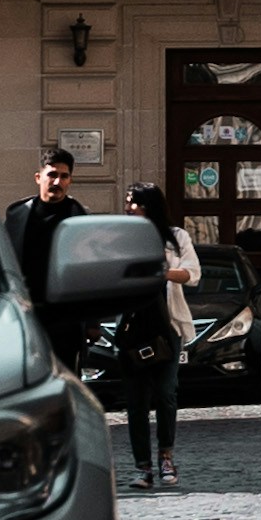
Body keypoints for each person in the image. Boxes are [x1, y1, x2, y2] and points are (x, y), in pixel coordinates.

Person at [107, 176, 199, 489]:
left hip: (167, 324)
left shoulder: (176, 237)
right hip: (133, 326)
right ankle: (142, 467)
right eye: (128, 201)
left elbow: (192, 274)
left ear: (149, 206)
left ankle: (166, 457)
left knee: (165, 392)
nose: (129, 206)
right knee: (135, 399)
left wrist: (160, 271)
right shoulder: (121, 238)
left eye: (134, 201)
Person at [1, 145, 86, 352]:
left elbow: (88, 274)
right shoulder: (17, 216)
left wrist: (91, 323)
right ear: (38, 178)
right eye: (52, 175)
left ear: (70, 181)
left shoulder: (81, 219)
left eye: (64, 176)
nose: (58, 182)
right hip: (25, 315)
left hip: (65, 320)